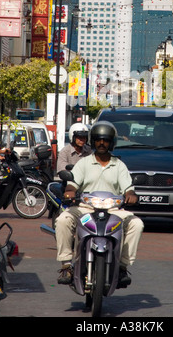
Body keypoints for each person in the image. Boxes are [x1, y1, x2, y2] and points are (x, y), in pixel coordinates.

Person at [55, 120, 144, 287]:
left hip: (113, 211)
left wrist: (131, 195)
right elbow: (72, 184)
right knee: (62, 220)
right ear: (93, 141)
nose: (102, 143)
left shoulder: (119, 165)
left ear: (112, 143)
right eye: (98, 140)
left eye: (106, 140)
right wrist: (70, 191)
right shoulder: (84, 163)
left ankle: (123, 267)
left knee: (137, 224)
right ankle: (66, 265)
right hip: (86, 209)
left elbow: (128, 188)